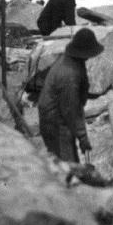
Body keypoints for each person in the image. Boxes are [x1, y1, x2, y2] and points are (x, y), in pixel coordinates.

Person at [37, 27, 104, 162]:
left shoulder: (74, 60)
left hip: (59, 117)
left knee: (67, 162)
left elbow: (78, 97)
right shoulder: (69, 74)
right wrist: (83, 137)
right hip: (55, 123)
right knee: (68, 167)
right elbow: (71, 110)